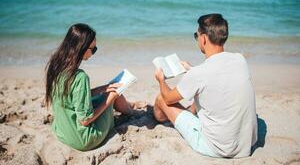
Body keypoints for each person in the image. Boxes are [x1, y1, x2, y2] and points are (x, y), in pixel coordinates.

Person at [153, 14, 258, 158]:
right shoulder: (240, 60)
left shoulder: (199, 74)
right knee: (204, 91)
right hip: (245, 145)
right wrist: (191, 69)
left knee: (160, 99)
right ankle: (189, 113)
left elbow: (168, 98)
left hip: (217, 148)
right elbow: (218, 76)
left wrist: (161, 80)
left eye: (196, 36)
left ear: (203, 38)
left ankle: (162, 119)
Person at [45, 23, 143, 151]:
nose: (94, 53)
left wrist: (100, 89)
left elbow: (70, 97)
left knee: (108, 90)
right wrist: (109, 99)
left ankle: (130, 106)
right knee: (113, 94)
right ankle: (131, 111)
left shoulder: (56, 65)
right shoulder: (80, 77)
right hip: (83, 139)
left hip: (62, 131)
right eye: (93, 49)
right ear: (82, 47)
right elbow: (85, 120)